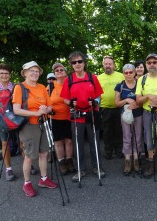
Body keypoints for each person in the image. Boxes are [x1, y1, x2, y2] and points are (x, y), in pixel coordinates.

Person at [13, 61, 58, 197]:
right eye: (31, 70)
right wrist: (35, 113)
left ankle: (43, 179)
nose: (35, 73)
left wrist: (45, 109)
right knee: (29, 156)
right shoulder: (20, 88)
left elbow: (50, 106)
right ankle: (26, 183)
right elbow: (16, 110)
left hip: (43, 123)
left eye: (37, 71)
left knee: (44, 153)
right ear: (25, 73)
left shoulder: (42, 87)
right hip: (28, 126)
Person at [60, 51, 105, 181]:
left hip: (91, 113)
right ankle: (80, 169)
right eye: (74, 62)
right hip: (77, 114)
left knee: (94, 142)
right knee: (78, 143)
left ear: (84, 63)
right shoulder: (69, 79)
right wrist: (71, 103)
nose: (77, 64)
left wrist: (95, 102)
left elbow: (98, 95)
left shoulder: (92, 77)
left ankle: (97, 167)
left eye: (80, 61)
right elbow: (65, 99)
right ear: (71, 65)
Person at [115, 64, 143, 175]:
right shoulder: (120, 86)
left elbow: (143, 100)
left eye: (130, 72)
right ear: (123, 74)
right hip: (125, 115)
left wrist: (137, 104)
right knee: (127, 137)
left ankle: (136, 160)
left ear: (134, 72)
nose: (128, 74)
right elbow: (116, 103)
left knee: (138, 136)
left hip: (138, 114)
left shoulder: (140, 84)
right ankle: (127, 160)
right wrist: (126, 100)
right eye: (126, 72)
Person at [48, 63, 75, 175]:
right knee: (58, 141)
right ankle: (61, 162)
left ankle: (69, 161)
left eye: (61, 70)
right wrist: (48, 109)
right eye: (57, 70)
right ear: (54, 74)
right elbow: (45, 101)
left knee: (69, 141)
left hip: (70, 116)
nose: (59, 71)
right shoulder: (50, 87)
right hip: (55, 118)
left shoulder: (70, 84)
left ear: (65, 72)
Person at [98, 56, 125, 159]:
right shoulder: (98, 78)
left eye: (110, 64)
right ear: (103, 65)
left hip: (119, 106)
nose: (108, 66)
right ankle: (108, 152)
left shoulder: (121, 76)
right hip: (104, 107)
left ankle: (119, 151)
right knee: (107, 131)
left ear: (114, 65)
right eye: (106, 64)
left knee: (119, 130)